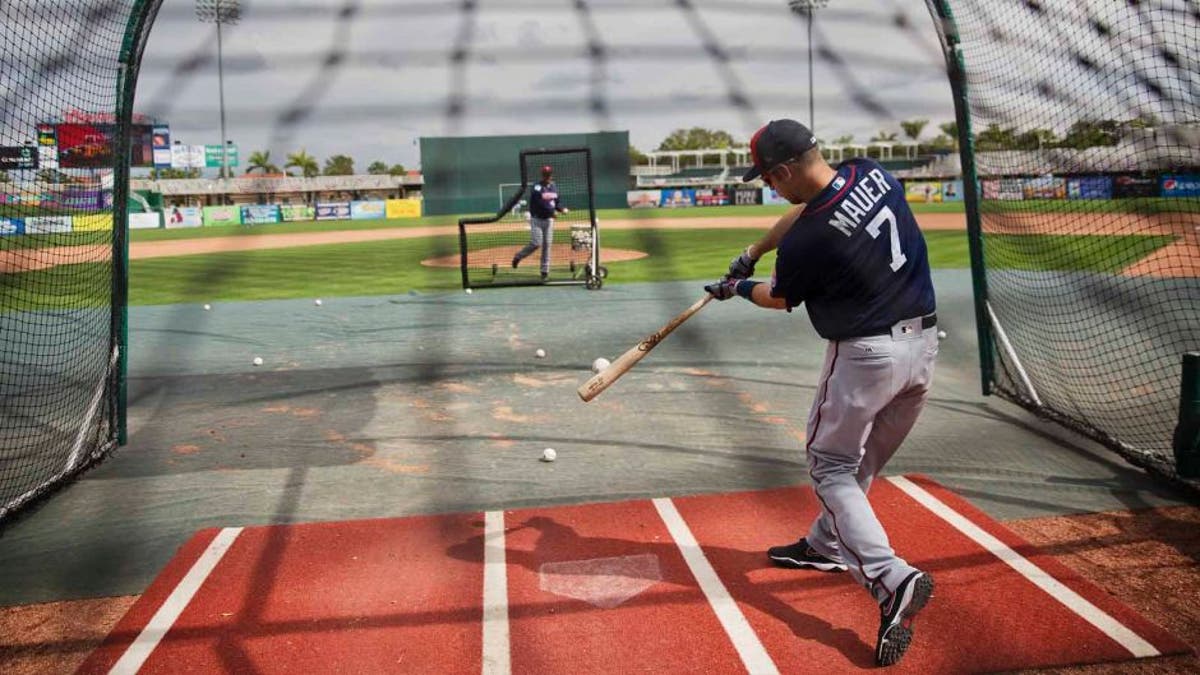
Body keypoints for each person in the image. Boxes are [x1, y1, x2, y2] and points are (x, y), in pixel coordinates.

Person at [704, 119, 938, 667]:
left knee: (829, 465)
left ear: (785, 170)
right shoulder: (868, 172)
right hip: (922, 349)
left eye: (769, 178)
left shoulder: (812, 239)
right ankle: (827, 545)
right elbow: (808, 207)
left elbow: (780, 298)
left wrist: (738, 286)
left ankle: (890, 579)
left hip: (865, 358)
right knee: (865, 460)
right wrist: (755, 248)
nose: (771, 188)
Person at [513, 165, 568, 281]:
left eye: (549, 174)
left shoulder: (554, 187)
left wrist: (561, 209)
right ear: (542, 175)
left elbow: (556, 202)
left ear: (551, 175)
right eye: (545, 174)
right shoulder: (537, 187)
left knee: (547, 245)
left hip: (549, 221)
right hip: (537, 220)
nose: (547, 176)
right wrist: (551, 213)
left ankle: (544, 272)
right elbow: (540, 204)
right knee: (536, 243)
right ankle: (518, 256)